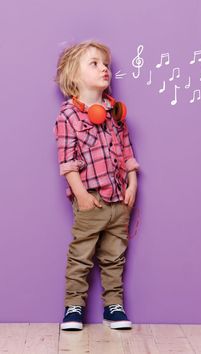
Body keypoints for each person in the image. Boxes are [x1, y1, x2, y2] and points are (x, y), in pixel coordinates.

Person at [53, 39, 140, 330]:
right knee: (81, 255)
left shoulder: (114, 112)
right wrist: (81, 195)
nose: (104, 68)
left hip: (119, 201)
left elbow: (127, 151)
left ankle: (113, 307)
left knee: (115, 257)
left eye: (106, 65)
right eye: (95, 63)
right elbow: (67, 162)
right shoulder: (68, 115)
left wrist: (132, 183)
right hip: (91, 200)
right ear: (74, 76)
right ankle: (73, 307)